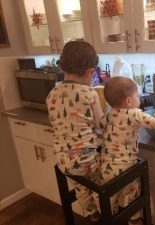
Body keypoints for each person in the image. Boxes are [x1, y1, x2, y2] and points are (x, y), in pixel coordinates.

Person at [46, 41, 105, 221]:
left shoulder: (52, 94)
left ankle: (91, 212)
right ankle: (105, 212)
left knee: (80, 185)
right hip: (87, 160)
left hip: (64, 162)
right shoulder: (89, 94)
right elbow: (100, 124)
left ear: (63, 67)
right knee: (99, 181)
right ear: (90, 71)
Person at [101, 76, 155, 225]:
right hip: (126, 168)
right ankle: (133, 221)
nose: (138, 98)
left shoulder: (109, 112)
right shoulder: (134, 113)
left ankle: (112, 219)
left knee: (111, 198)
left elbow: (102, 124)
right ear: (128, 101)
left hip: (106, 167)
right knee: (130, 195)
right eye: (137, 95)